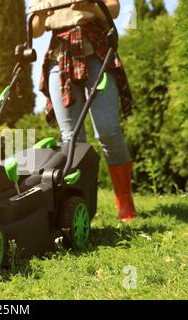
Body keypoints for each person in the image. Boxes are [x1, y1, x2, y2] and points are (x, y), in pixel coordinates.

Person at [29, 0, 136, 222]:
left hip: (95, 51)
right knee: (71, 138)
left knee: (108, 130)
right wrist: (40, 15)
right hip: (61, 57)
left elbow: (113, 9)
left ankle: (125, 201)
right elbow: (35, 30)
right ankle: (79, 205)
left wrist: (91, 6)